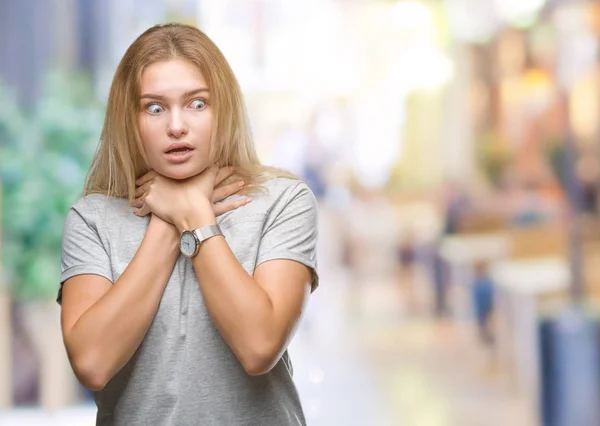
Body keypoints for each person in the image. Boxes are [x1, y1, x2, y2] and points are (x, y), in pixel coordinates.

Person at [58, 23, 318, 426]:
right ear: (131, 119)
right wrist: (168, 220)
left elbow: (259, 347)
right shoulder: (92, 219)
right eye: (155, 107)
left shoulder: (284, 201)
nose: (177, 125)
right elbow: (92, 363)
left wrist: (196, 215)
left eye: (197, 103)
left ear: (224, 108)